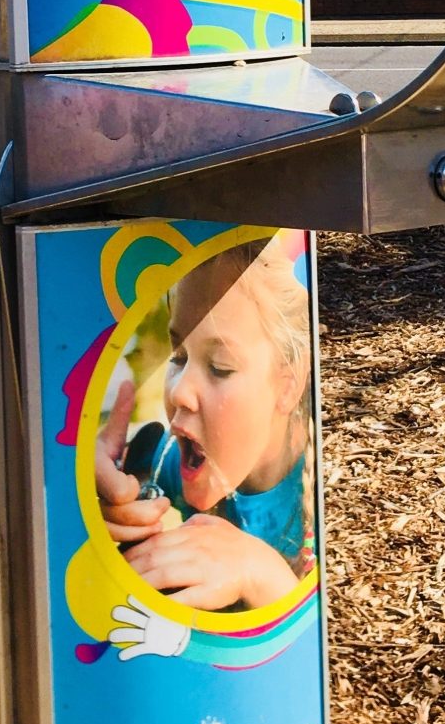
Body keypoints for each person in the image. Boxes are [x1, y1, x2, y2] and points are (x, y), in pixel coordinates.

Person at [94, 237, 313, 611]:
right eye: (178, 356)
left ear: (288, 385)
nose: (179, 392)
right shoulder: (174, 462)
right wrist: (88, 487)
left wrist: (261, 576)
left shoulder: (322, 497)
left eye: (219, 367)